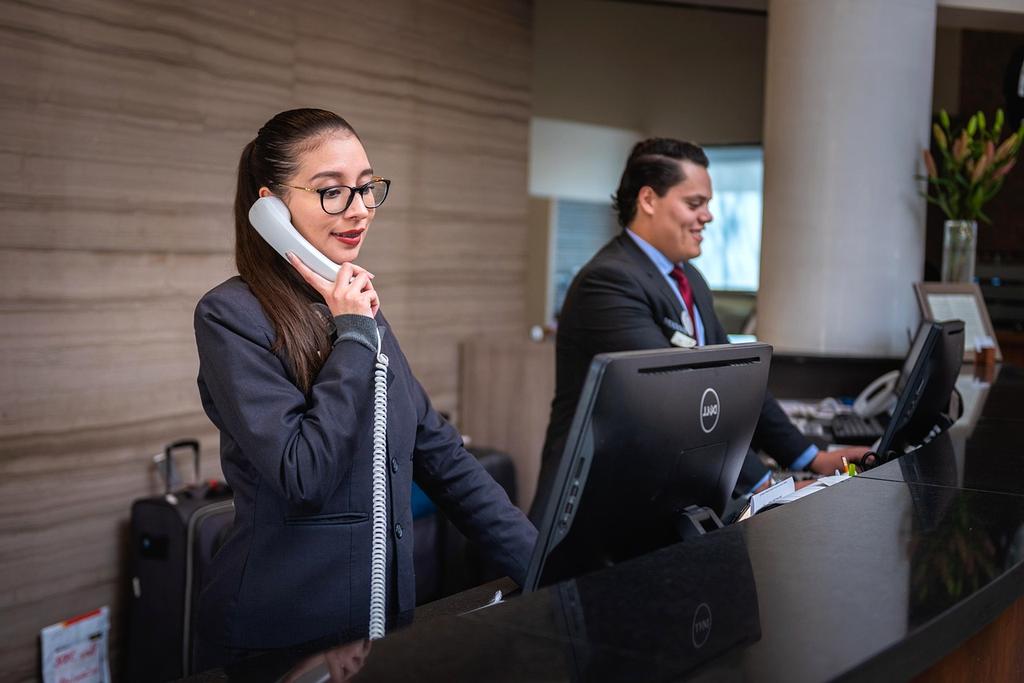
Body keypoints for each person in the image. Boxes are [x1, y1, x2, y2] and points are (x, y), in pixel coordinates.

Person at [193, 108, 536, 669]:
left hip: (382, 628)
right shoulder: (232, 316)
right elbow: (302, 474)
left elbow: (441, 455)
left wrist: (546, 565)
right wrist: (352, 331)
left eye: (366, 188)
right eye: (332, 192)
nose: (358, 211)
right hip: (284, 638)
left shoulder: (356, 307)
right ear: (270, 208)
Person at [533, 138, 867, 520]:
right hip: (600, 517)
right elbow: (680, 405)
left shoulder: (689, 277)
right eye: (695, 203)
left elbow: (737, 383)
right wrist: (767, 489)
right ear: (648, 200)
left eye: (707, 204)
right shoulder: (608, 283)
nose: (707, 216)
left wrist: (812, 457)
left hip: (663, 502)